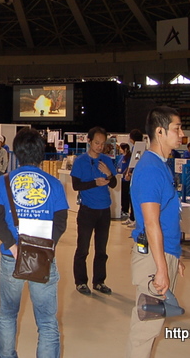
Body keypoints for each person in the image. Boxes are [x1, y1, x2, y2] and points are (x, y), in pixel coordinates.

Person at [0, 128, 69, 358]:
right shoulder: (54, 184)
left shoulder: (4, 182)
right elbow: (61, 221)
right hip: (43, 258)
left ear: (16, 152)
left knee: (7, 314)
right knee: (47, 321)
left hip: (10, 257)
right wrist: (47, 246)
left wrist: (12, 246)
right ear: (41, 153)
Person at [126, 106, 185, 358]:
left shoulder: (161, 165)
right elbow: (151, 224)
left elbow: (165, 217)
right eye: (176, 128)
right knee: (146, 328)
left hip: (163, 253)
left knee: (153, 326)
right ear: (159, 132)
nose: (181, 134)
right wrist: (161, 268)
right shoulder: (150, 169)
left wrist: (174, 256)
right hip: (152, 258)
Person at [71, 126, 117, 295]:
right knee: (83, 248)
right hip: (87, 210)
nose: (100, 146)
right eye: (97, 143)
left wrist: (109, 174)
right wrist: (94, 183)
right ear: (89, 141)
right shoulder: (80, 161)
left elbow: (114, 184)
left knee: (101, 249)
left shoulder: (106, 160)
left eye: (102, 143)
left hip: (104, 210)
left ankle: (99, 281)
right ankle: (81, 281)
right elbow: (76, 185)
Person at [123, 128, 144, 226]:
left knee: (135, 198)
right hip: (136, 176)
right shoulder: (137, 147)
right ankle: (132, 217)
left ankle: (136, 219)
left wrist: (129, 173)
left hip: (137, 177)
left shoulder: (139, 147)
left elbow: (135, 162)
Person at [117, 143, 132, 219]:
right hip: (120, 179)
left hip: (126, 180)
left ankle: (125, 210)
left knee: (125, 195)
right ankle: (122, 209)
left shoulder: (129, 158)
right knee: (122, 195)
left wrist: (126, 173)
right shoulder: (121, 157)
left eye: (121, 148)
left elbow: (129, 167)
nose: (120, 150)